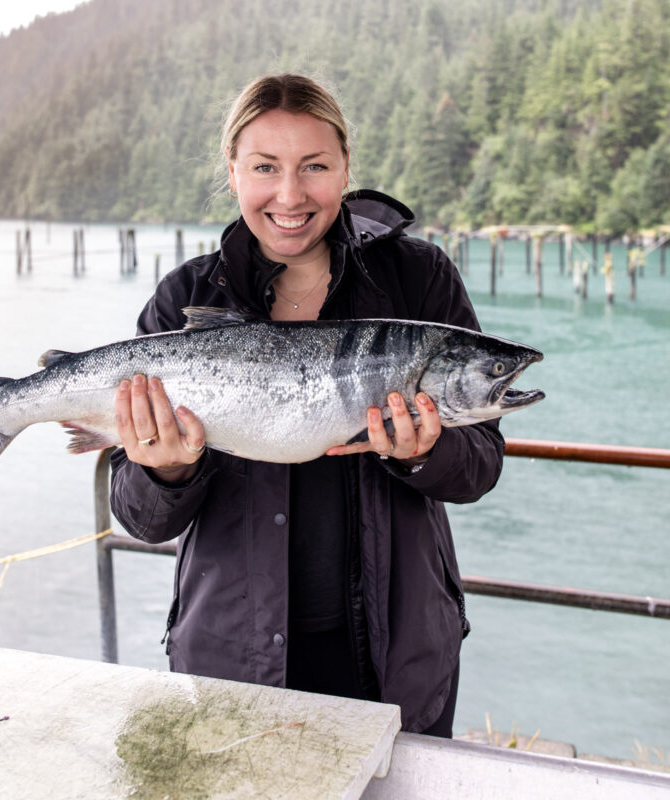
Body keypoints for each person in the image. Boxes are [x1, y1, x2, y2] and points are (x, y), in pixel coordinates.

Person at [110, 74, 504, 736]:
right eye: (265, 167)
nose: (290, 195)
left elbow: (480, 468)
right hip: (230, 663)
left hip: (399, 658)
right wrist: (165, 470)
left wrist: (426, 453)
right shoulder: (185, 297)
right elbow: (139, 516)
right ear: (233, 172)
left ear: (346, 168)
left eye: (314, 166)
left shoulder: (418, 278)